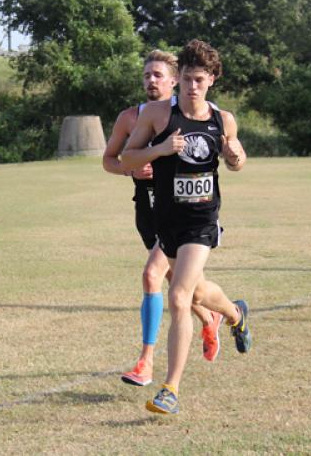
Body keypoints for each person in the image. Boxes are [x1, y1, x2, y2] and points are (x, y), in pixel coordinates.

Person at [122, 39, 252, 415]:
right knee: (195, 294)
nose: (191, 87)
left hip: (201, 219)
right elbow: (128, 156)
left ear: (211, 80)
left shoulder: (222, 118)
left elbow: (236, 159)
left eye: (199, 79)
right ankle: (234, 314)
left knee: (178, 296)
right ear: (177, 79)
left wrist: (234, 156)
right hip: (167, 220)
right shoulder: (158, 116)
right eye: (186, 79)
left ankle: (170, 389)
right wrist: (159, 150)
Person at [103, 50, 223, 388]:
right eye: (146, 75)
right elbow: (111, 160)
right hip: (150, 210)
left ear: (175, 81)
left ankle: (147, 361)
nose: (151, 81)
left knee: (153, 275)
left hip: (187, 212)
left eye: (158, 75)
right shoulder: (130, 117)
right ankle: (216, 314)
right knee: (184, 288)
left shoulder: (187, 115)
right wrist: (134, 169)